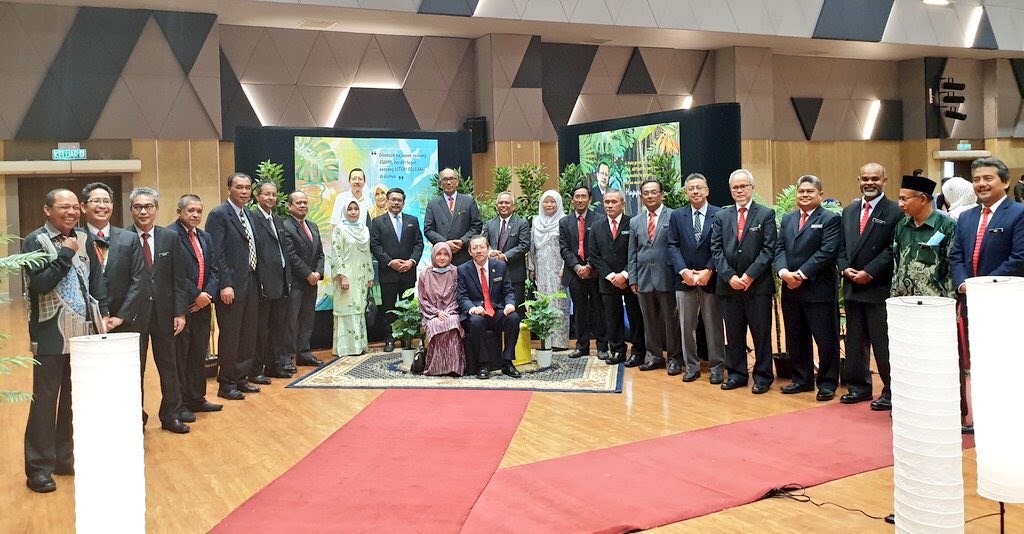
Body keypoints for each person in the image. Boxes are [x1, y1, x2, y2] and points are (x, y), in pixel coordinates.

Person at [22, 189, 108, 493]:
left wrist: (104, 315)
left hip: (82, 332)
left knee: (73, 400)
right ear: (47, 210)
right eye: (64, 207)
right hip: (49, 334)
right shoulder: (36, 241)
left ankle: (64, 458)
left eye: (75, 207)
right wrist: (65, 254)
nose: (71, 212)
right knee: (45, 401)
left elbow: (95, 280)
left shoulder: (84, 237)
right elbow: (41, 283)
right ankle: (38, 469)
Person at [950, 157, 1024, 434]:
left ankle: (1008, 418)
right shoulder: (966, 216)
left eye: (988, 178)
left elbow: (1019, 258)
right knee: (976, 363)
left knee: (1005, 363)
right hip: (970, 301)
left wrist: (981, 284)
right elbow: (956, 255)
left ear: (1005, 182)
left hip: (1005, 301)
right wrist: (963, 284)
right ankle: (983, 416)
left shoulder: (1018, 214)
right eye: (977, 179)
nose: (981, 184)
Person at [837, 163, 903, 410]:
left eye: (875, 178)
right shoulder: (850, 210)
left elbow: (891, 249)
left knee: (882, 343)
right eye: (865, 178)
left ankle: (890, 391)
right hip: (852, 285)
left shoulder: (895, 210)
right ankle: (859, 388)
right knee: (854, 342)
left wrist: (870, 272)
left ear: (884, 180)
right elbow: (841, 245)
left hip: (878, 287)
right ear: (858, 179)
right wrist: (844, 268)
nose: (869, 183)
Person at [126, 187, 189, 433]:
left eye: (148, 206)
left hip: (166, 314)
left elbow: (179, 278)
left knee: (169, 366)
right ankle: (136, 417)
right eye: (138, 207)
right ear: (131, 209)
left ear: (156, 209)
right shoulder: (123, 238)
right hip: (134, 316)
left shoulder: (170, 237)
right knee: (135, 369)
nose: (143, 211)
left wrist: (180, 312)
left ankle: (171, 414)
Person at [774, 175, 842, 401]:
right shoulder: (788, 219)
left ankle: (827, 383)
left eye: (810, 191)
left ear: (820, 195)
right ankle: (802, 380)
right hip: (790, 288)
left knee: (825, 339)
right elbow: (779, 249)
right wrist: (784, 273)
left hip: (818, 288)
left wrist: (801, 274)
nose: (804, 195)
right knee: (796, 336)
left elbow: (827, 252)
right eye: (801, 191)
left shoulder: (830, 219)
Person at [710, 169, 777, 393]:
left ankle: (763, 376)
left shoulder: (765, 214)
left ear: (752, 187)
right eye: (735, 188)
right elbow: (716, 250)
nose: (739, 191)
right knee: (735, 334)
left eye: (743, 186)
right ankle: (737, 374)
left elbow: (768, 250)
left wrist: (748, 276)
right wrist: (730, 277)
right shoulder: (721, 216)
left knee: (761, 334)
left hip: (757, 286)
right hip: (729, 287)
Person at [206, 172, 261, 401]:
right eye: (239, 187)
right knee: (230, 335)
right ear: (229, 188)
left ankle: (241, 378)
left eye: (248, 187)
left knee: (248, 334)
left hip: (250, 281)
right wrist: (225, 284)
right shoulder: (219, 214)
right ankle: (226, 383)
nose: (244, 191)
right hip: (231, 285)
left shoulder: (248, 213)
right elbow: (216, 253)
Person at [666, 174, 725, 383]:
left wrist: (709, 270)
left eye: (699, 187)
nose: (695, 191)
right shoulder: (677, 216)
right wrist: (684, 271)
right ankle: (692, 366)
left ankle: (717, 366)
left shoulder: (720, 214)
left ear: (707, 190)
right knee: (686, 326)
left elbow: (720, 246)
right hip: (685, 280)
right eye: (691, 188)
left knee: (713, 325)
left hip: (711, 279)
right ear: (686, 192)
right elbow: (672, 245)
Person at [172, 195, 223, 415]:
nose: (195, 215)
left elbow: (214, 269)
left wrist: (207, 295)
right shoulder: (170, 236)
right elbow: (175, 274)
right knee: (181, 356)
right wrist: (196, 295)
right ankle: (180, 403)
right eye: (190, 210)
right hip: (182, 307)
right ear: (179, 212)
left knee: (198, 354)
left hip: (203, 306)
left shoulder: (205, 237)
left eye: (199, 211)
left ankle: (197, 398)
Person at [627, 179, 682, 374]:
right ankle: (655, 357)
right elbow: (632, 253)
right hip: (643, 278)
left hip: (667, 277)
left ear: (662, 194)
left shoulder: (674, 216)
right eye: (646, 193)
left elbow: (678, 248)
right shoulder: (635, 221)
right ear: (641, 197)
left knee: (671, 321)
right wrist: (632, 279)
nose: (650, 196)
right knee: (649, 321)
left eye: (653, 192)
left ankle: (675, 358)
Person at [79, 182, 145, 337]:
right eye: (96, 201)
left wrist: (121, 316)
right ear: (83, 207)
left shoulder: (130, 239)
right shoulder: (75, 238)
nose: (102, 206)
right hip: (85, 321)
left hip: (123, 321)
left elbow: (139, 279)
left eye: (107, 201)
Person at [589, 189, 646, 365]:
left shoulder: (633, 223)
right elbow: (594, 255)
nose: (610, 205)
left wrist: (624, 274)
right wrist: (612, 276)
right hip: (607, 280)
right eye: (607, 202)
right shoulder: (597, 226)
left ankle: (637, 352)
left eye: (614, 202)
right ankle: (618, 351)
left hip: (630, 279)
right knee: (612, 318)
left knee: (635, 317)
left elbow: (637, 251)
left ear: (623, 204)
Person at [457, 235, 522, 379]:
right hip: (477, 313)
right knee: (475, 321)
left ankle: (508, 362)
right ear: (469, 252)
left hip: (496, 311)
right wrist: (472, 308)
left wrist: (510, 304)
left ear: (488, 249)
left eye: (482, 247)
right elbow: (462, 297)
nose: (478, 251)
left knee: (513, 318)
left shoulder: (500, 266)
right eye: (474, 248)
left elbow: (508, 291)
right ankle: (484, 364)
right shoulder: (462, 270)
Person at [369, 187, 424, 352]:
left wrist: (412, 262)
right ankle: (389, 339)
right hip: (388, 274)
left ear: (403, 202)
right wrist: (390, 262)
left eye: (399, 200)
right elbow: (375, 245)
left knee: (406, 307)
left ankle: (406, 339)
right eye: (392, 199)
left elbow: (419, 244)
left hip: (408, 272)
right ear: (387, 201)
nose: (396, 202)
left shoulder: (412, 220)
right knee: (388, 308)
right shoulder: (378, 222)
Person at [559, 185, 608, 360]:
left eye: (583, 197)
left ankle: (602, 346)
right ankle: (582, 346)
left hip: (594, 272)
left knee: (598, 309)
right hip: (574, 273)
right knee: (579, 310)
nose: (580, 200)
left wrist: (589, 266)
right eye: (577, 197)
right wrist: (577, 267)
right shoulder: (564, 222)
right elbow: (564, 249)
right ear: (572, 199)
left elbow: (601, 248)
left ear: (589, 199)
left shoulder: (599, 219)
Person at [251, 181, 294, 381]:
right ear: (257, 196)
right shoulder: (253, 218)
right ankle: (256, 369)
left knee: (278, 327)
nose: (270, 198)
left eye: (274, 195)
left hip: (282, 281)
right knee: (261, 329)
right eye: (266, 194)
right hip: (264, 282)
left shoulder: (278, 220)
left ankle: (274, 365)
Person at [892, 175, 957, 298]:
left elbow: (952, 267)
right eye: (899, 199)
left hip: (935, 301)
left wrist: (951, 301)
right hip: (904, 300)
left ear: (922, 199)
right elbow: (896, 263)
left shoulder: (947, 226)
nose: (900, 204)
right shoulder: (902, 225)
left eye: (904, 199)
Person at [282, 191, 325, 368]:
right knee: (291, 321)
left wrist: (318, 273)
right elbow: (290, 255)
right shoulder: (285, 226)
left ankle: (304, 354)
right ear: (290, 206)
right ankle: (287, 357)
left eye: (305, 203)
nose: (302, 206)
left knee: (308, 319)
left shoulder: (313, 226)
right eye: (298, 203)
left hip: (312, 282)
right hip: (296, 281)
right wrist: (308, 274)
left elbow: (321, 254)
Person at [528, 190, 570, 351]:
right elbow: (532, 248)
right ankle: (546, 341)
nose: (549, 205)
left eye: (553, 202)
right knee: (543, 302)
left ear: (558, 203)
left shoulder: (564, 220)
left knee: (559, 303)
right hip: (541, 269)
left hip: (558, 269)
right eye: (546, 202)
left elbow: (567, 247)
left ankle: (559, 342)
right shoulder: (536, 221)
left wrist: (564, 268)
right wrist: (532, 268)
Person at [332, 200, 374, 357]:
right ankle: (346, 347)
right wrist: (342, 276)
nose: (353, 212)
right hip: (346, 277)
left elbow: (367, 253)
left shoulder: (365, 230)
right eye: (349, 209)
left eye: (356, 209)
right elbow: (336, 254)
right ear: (344, 211)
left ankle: (359, 346)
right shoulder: (339, 230)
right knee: (347, 310)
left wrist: (370, 276)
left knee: (359, 309)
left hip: (361, 277)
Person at [418, 242, 465, 376]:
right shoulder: (424, 275)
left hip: (452, 311)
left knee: (452, 323)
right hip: (431, 314)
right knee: (435, 325)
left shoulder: (456, 272)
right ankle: (436, 367)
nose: (442, 257)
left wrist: (448, 312)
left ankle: (455, 367)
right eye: (439, 254)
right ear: (433, 255)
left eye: (446, 254)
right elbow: (423, 300)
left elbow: (459, 296)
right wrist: (436, 313)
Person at [423, 167, 482, 266]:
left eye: (451, 179)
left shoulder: (468, 201)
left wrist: (462, 241)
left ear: (457, 182)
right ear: (440, 184)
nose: (448, 182)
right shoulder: (433, 204)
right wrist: (445, 243)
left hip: (464, 254)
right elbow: (428, 229)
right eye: (445, 179)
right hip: (442, 255)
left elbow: (476, 226)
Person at [483, 191, 530, 308]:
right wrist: (490, 252)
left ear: (513, 206)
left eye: (507, 203)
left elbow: (524, 245)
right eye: (501, 203)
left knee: (515, 308)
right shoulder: (489, 224)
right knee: (496, 308)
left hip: (514, 274)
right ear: (496, 206)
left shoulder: (521, 223)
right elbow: (483, 243)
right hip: (493, 274)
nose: (503, 205)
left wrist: (504, 256)